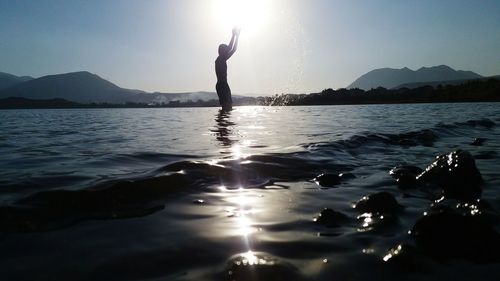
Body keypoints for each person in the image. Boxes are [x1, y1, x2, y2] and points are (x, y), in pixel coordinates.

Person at [215, 27, 240, 111]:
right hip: (222, 85)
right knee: (227, 108)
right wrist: (233, 35)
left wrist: (238, 36)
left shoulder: (222, 59)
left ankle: (222, 123)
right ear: (222, 51)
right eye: (225, 49)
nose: (227, 50)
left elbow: (234, 49)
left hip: (223, 85)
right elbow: (230, 48)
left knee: (228, 109)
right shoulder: (220, 59)